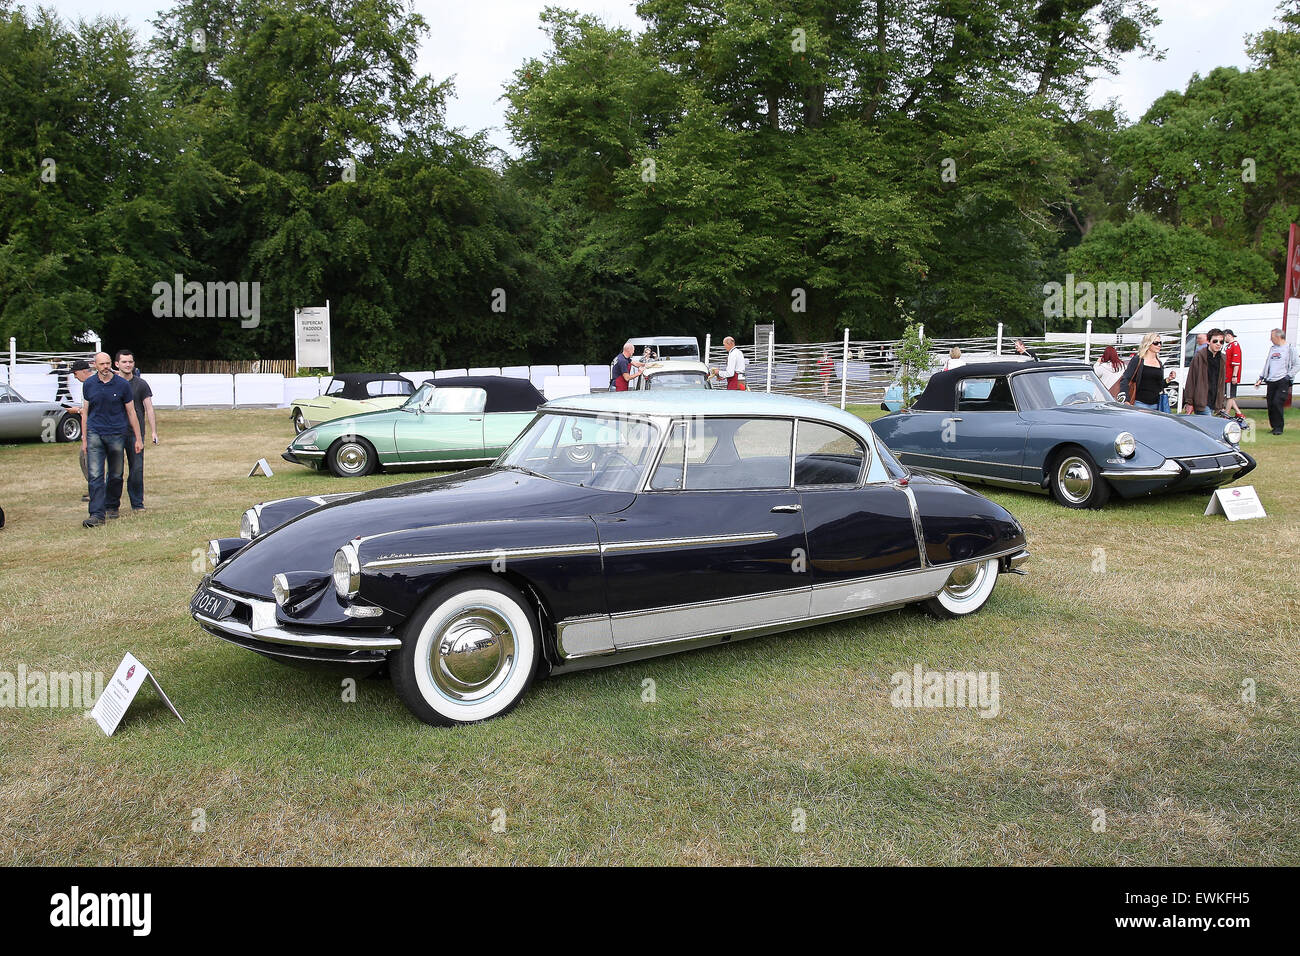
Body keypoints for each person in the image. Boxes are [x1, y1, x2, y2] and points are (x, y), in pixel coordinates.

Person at [80, 352, 143, 527]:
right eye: (102, 364)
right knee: (95, 475)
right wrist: (84, 439)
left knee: (115, 474)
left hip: (117, 433)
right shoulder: (89, 384)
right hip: (95, 433)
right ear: (95, 365)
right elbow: (85, 412)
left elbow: (131, 412)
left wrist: (138, 439)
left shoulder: (122, 385)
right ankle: (96, 514)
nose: (105, 367)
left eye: (108, 363)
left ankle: (112, 506)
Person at [114, 349, 157, 513]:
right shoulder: (112, 384)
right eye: (124, 362)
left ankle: (137, 504)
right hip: (115, 433)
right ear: (117, 364)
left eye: (130, 362)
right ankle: (112, 505)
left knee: (137, 469)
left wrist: (154, 431)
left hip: (136, 434)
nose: (128, 365)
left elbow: (149, 408)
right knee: (115, 471)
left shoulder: (141, 384)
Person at [1255, 328, 1298, 435]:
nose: (1270, 339)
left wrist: (1288, 376)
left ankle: (1279, 428)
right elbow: (1267, 364)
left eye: (1272, 337)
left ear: (1278, 337)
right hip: (1271, 381)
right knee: (1270, 404)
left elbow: (1297, 364)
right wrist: (1261, 378)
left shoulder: (1290, 349)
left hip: (1282, 380)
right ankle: (1274, 427)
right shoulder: (1273, 349)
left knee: (1277, 403)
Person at [1119, 332, 1177, 410]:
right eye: (1156, 343)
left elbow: (1158, 385)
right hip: (1139, 403)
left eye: (1160, 343)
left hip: (1156, 405)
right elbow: (1126, 378)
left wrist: (1168, 379)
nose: (1159, 345)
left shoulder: (1159, 362)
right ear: (1148, 344)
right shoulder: (1138, 359)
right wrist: (1126, 399)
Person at [64, 360, 95, 502]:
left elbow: (90, 411)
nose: (75, 377)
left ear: (83, 371)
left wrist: (76, 410)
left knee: (88, 460)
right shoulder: (90, 384)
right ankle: (95, 489)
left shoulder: (92, 385)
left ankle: (97, 491)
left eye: (75, 374)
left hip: (95, 430)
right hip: (93, 429)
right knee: (84, 459)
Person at [1182, 328, 1227, 416]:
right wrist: (1189, 402)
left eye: (1221, 342)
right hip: (1202, 400)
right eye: (1215, 341)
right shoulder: (1200, 356)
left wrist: (1221, 404)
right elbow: (1191, 379)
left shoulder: (1222, 358)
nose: (1218, 344)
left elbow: (1221, 383)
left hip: (1214, 401)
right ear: (1209, 341)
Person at [1223, 329, 1245, 418]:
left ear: (1228, 335)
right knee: (1229, 395)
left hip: (1230, 375)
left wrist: (1234, 375)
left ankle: (1226, 415)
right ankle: (1238, 412)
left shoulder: (1235, 345)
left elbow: (1236, 362)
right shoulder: (1229, 346)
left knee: (1230, 397)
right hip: (1226, 375)